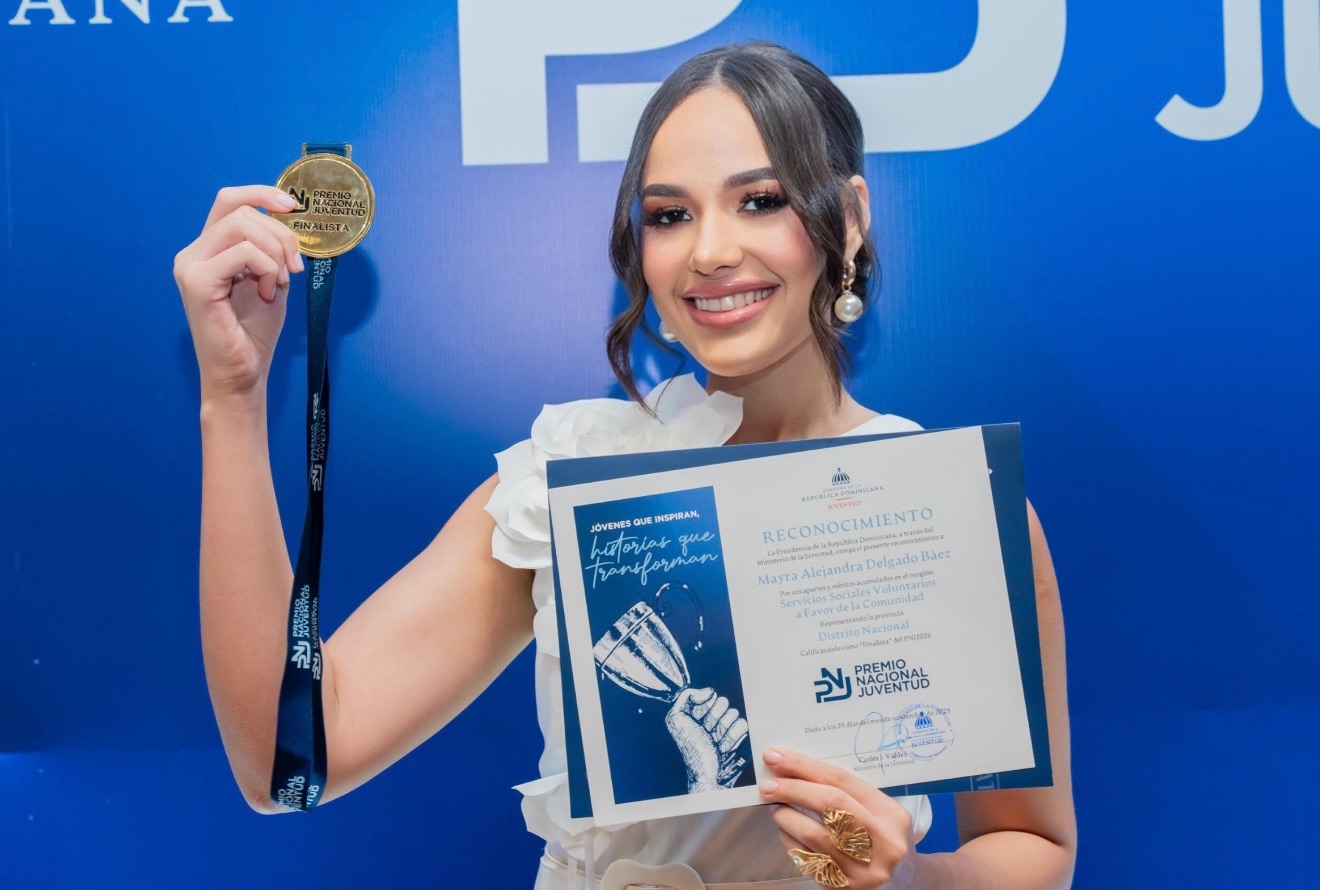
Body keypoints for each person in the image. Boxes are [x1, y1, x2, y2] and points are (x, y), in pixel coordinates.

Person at [174, 42, 1075, 890]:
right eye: (669, 215)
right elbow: (289, 763)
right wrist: (234, 398)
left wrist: (906, 878)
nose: (710, 250)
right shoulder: (569, 480)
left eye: (761, 200)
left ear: (846, 220)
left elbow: (1035, 847)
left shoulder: (948, 507)